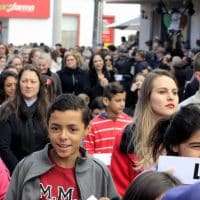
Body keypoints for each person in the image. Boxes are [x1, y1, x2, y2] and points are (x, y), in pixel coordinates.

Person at [6, 94, 119, 200]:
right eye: (55, 128)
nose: (63, 136)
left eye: (72, 129)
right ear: (48, 127)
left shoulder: (98, 172)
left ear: (86, 130)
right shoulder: (26, 167)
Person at [110, 69, 179, 196]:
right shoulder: (127, 136)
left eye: (175, 92)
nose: (171, 97)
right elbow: (120, 190)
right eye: (162, 92)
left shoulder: (186, 135)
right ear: (147, 96)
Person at [0, 65, 48, 173]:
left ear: (40, 84)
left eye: (33, 81)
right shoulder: (6, 110)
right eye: (24, 81)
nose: (28, 85)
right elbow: (4, 147)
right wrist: (20, 171)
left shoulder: (49, 110)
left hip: (43, 169)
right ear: (19, 84)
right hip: (14, 170)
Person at [84, 82, 132, 155]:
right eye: (118, 100)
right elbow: (88, 153)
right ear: (106, 101)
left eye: (124, 100)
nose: (122, 104)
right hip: (99, 165)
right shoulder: (92, 125)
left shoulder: (129, 123)